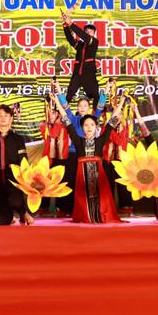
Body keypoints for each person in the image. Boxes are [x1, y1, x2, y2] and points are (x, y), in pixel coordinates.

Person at [53, 94, 124, 223]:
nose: (89, 127)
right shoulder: (78, 141)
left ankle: (101, 216)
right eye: (86, 125)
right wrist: (57, 101)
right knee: (82, 198)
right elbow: (66, 119)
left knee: (101, 198)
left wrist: (122, 102)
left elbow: (112, 121)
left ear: (96, 127)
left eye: (92, 124)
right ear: (82, 127)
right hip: (82, 178)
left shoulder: (100, 141)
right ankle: (85, 216)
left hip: (99, 177)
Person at [54, 78, 108, 217]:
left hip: (90, 154)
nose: (82, 107)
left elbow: (101, 106)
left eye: (85, 105)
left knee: (88, 183)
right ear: (77, 108)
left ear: (89, 107)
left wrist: (106, 91)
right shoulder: (73, 118)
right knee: (70, 180)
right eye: (80, 105)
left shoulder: (93, 118)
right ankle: (66, 209)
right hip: (74, 153)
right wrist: (58, 88)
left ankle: (89, 210)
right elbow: (64, 106)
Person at [0, 105, 33, 226]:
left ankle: (24, 213)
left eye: (6, 115)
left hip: (13, 179)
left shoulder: (18, 139)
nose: (3, 118)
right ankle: (10, 216)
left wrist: (24, 178)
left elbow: (23, 161)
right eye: (0, 115)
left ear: (11, 118)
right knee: (1, 221)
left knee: (17, 201)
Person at [61, 12, 100, 109]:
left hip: (89, 74)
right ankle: (61, 116)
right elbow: (70, 39)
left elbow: (84, 36)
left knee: (95, 96)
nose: (88, 33)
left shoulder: (94, 42)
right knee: (69, 94)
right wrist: (66, 25)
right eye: (86, 31)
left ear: (94, 33)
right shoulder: (80, 45)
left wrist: (71, 24)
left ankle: (96, 119)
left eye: (90, 31)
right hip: (78, 73)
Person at [39, 104, 69, 216]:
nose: (50, 115)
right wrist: (57, 122)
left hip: (62, 159)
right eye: (49, 112)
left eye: (53, 112)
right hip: (48, 159)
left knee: (61, 184)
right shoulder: (44, 126)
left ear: (58, 113)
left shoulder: (66, 125)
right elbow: (53, 135)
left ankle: (61, 210)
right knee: (45, 184)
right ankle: (43, 209)